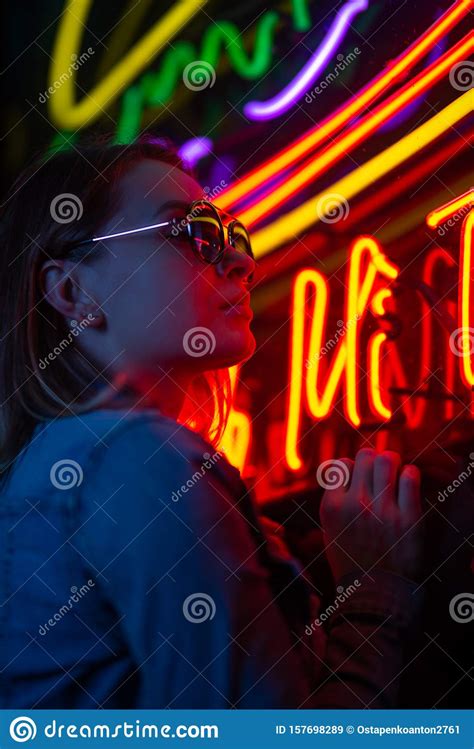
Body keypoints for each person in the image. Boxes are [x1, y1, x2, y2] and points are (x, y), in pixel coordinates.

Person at [0, 134, 423, 709]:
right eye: (190, 232)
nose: (242, 261)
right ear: (73, 290)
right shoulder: (135, 458)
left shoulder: (62, 463)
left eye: (232, 234)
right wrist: (373, 591)